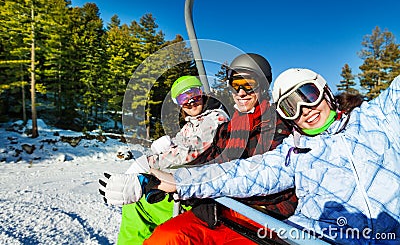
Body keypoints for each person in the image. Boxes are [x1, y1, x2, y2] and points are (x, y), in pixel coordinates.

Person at [148, 69, 400, 244]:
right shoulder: (295, 151)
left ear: (325, 90)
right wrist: (179, 180)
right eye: (291, 107)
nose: (305, 110)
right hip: (317, 239)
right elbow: (243, 172)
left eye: (308, 96)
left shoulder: (378, 117)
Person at [143, 53, 297, 244]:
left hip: (259, 219)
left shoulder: (278, 126)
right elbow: (207, 159)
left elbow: (262, 175)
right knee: (164, 238)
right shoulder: (229, 128)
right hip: (220, 211)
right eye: (235, 84)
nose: (241, 92)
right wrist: (160, 176)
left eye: (248, 84)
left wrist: (187, 183)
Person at [99, 75, 229, 244]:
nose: (191, 101)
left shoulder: (215, 118)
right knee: (136, 205)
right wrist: (169, 143)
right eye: (184, 98)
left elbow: (190, 151)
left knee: (137, 207)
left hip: (199, 195)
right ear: (179, 104)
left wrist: (147, 164)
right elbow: (183, 143)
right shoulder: (194, 122)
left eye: (194, 94)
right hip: (185, 185)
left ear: (202, 93)